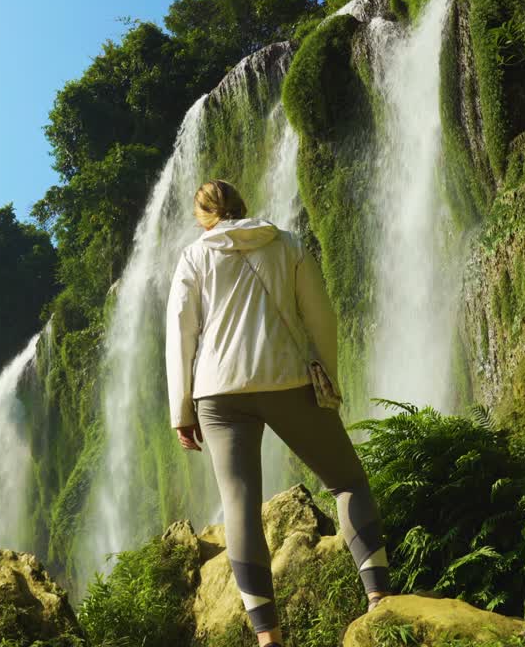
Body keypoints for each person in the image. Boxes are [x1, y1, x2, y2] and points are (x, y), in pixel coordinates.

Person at [165, 179, 392, 647]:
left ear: (203, 218)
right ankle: (379, 597)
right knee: (346, 481)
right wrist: (326, 376)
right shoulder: (287, 243)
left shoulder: (193, 256)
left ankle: (268, 636)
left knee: (239, 506)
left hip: (218, 394)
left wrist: (181, 409)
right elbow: (320, 315)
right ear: (242, 206)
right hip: (288, 379)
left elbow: (181, 335)